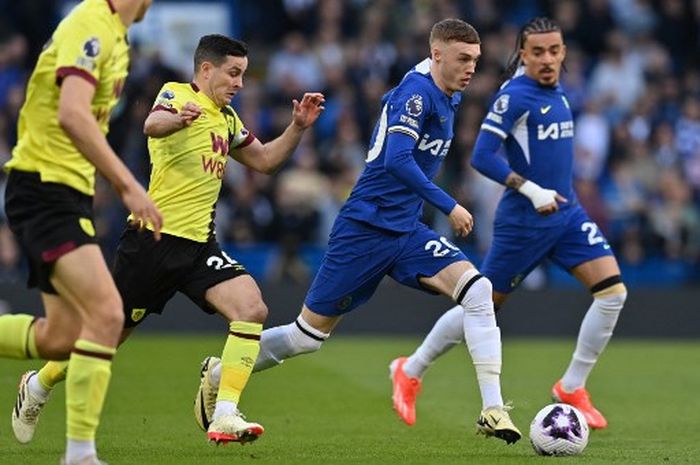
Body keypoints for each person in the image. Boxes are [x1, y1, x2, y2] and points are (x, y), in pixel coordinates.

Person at [195, 18, 522, 445]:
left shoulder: (447, 92)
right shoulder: (417, 95)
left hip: (406, 229)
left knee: (478, 292)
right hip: (365, 228)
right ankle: (219, 372)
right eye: (463, 58)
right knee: (305, 338)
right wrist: (449, 204)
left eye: (476, 60)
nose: (471, 68)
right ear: (436, 54)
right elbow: (397, 162)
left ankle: (493, 409)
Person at [10, 34, 325, 448]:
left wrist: (297, 128)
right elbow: (151, 125)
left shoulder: (228, 119)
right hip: (152, 243)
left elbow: (265, 161)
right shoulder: (177, 94)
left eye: (244, 75)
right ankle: (38, 383)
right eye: (233, 73)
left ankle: (226, 412)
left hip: (199, 246)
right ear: (206, 69)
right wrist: (179, 119)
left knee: (251, 307)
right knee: (103, 339)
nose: (240, 84)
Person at [390, 17, 627, 431]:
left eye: (555, 50)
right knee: (480, 307)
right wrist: (531, 190)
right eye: (538, 52)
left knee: (612, 294)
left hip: (566, 214)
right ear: (522, 53)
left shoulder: (560, 91)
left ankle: (572, 386)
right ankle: (410, 369)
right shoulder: (514, 96)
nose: (548, 59)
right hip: (524, 221)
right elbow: (481, 156)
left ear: (564, 51)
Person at [0, 1, 161, 464]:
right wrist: (127, 184)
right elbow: (72, 113)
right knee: (108, 314)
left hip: (66, 193)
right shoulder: (89, 24)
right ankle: (81, 456)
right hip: (43, 187)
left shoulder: (115, 33)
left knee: (61, 336)